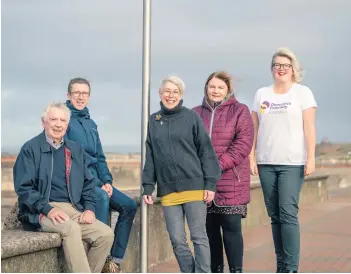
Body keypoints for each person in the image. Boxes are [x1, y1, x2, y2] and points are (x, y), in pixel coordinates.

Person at [13, 102, 114, 273]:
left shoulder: (75, 149)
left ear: (67, 125)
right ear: (43, 122)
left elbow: (88, 182)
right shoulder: (30, 149)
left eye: (62, 120)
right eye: (53, 119)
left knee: (105, 234)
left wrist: (89, 208)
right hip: (39, 210)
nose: (58, 124)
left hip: (72, 208)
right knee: (71, 229)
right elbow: (24, 189)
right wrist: (48, 209)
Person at [142, 75, 221, 273]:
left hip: (195, 187)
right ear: (160, 93)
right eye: (167, 91)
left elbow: (206, 150)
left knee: (198, 236)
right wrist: (148, 186)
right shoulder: (153, 120)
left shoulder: (191, 117)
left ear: (181, 95)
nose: (171, 95)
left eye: (175, 91)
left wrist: (210, 183)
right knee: (177, 240)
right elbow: (150, 155)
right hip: (168, 190)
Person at [250, 48, 317, 273]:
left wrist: (311, 158)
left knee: (288, 213)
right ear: (272, 69)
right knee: (275, 216)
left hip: (292, 162)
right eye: (277, 65)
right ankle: (281, 266)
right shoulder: (261, 94)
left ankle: (291, 268)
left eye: (285, 65)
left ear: (293, 69)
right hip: (266, 162)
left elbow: (309, 127)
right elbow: (254, 129)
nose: (281, 69)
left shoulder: (302, 93)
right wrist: (251, 157)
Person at [65, 78, 137, 273]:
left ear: (89, 97)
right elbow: (74, 161)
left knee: (129, 205)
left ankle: (114, 260)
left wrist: (107, 180)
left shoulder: (92, 123)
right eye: (76, 93)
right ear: (68, 95)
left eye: (84, 93)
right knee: (102, 198)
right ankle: (102, 257)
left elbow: (100, 157)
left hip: (98, 181)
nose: (80, 97)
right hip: (79, 183)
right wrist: (97, 183)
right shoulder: (65, 121)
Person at [193, 71, 254, 273]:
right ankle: (215, 269)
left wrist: (215, 166)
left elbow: (243, 145)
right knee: (209, 232)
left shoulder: (240, 110)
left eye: (220, 87)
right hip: (203, 184)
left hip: (232, 182)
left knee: (231, 229)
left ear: (228, 89)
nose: (215, 91)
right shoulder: (194, 113)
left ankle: (236, 270)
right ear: (206, 88)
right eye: (212, 87)